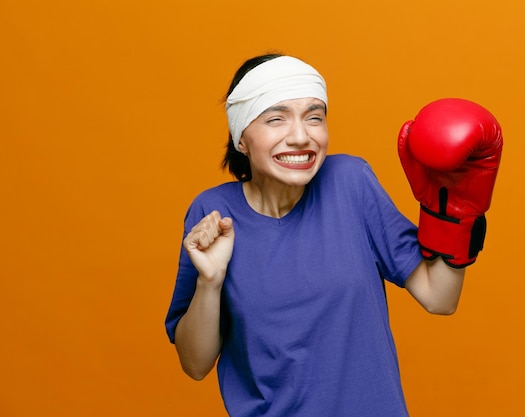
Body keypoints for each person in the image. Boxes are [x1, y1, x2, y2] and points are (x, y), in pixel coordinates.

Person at [165, 53, 503, 417]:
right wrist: (210, 281)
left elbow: (440, 298)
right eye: (276, 119)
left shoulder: (350, 182)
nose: (300, 136)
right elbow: (195, 364)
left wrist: (454, 215)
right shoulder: (214, 212)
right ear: (241, 139)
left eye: (314, 117)